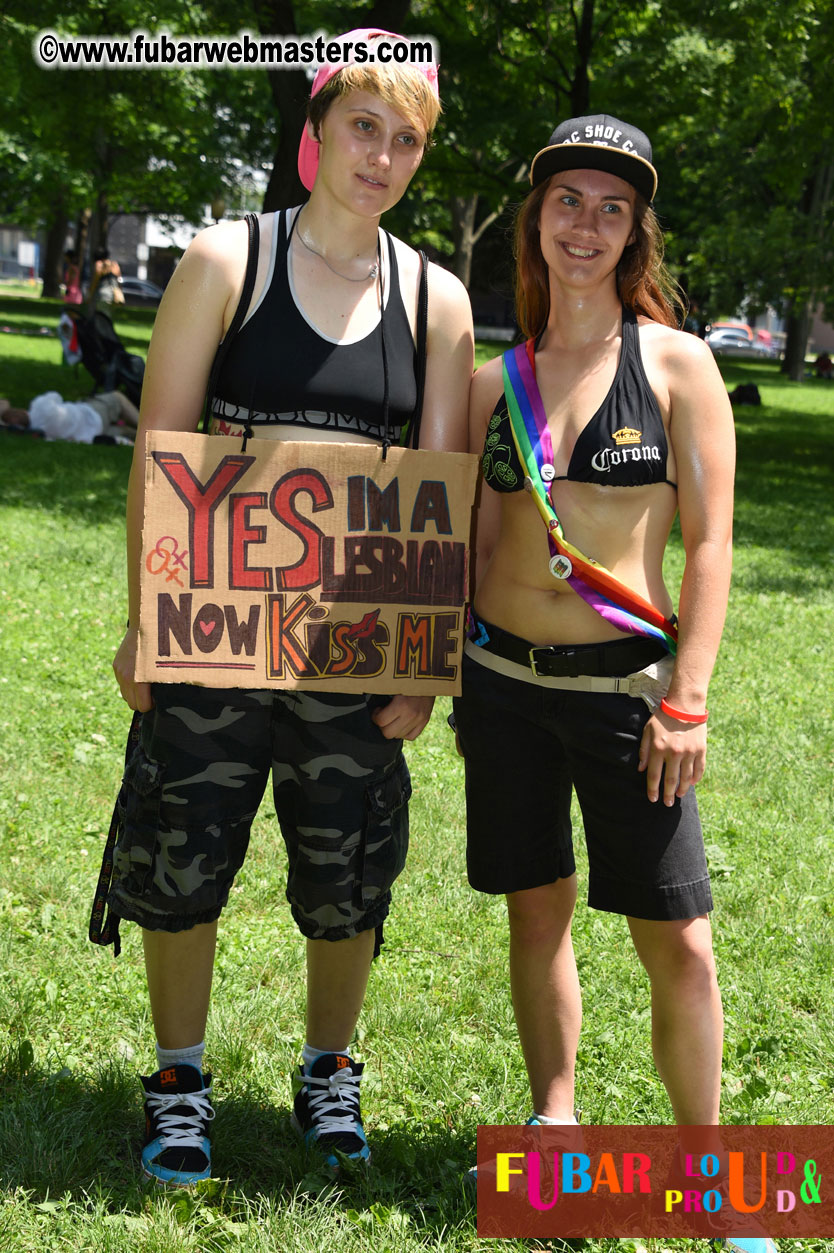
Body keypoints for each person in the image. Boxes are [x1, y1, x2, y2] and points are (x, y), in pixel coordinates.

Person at [108, 28, 473, 1188]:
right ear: (315, 133)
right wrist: (142, 617)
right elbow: (161, 451)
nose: (383, 155)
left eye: (406, 138)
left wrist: (422, 661)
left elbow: (441, 485)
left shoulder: (439, 299)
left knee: (347, 869)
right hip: (215, 629)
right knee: (184, 851)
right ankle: (179, 1079)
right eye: (364, 125)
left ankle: (330, 1069)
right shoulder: (229, 261)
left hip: (359, 642)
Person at [455, 114, 774, 1253]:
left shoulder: (679, 364)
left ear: (635, 230)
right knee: (536, 908)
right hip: (499, 683)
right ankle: (557, 1121)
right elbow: (464, 530)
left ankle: (718, 1179)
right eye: (566, 202)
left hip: (626, 697)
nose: (584, 225)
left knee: (676, 936)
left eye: (611, 207)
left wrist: (686, 696)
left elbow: (712, 542)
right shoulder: (497, 377)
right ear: (535, 224)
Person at [0, 390, 139, 442]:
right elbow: (57, 396)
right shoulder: (39, 405)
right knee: (117, 398)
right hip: (93, 413)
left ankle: (147, 435)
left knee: (129, 433)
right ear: (21, 411)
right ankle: (152, 428)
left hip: (93, 433)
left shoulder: (41, 432)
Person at [87, 248, 124, 314]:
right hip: (114, 296)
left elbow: (95, 281)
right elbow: (120, 280)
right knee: (108, 316)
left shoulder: (99, 264)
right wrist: (120, 291)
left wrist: (90, 294)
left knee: (102, 317)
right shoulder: (115, 265)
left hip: (102, 295)